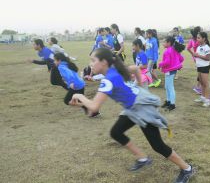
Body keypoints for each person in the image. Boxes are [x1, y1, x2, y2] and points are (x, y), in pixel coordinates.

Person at [70, 48, 195, 183]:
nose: (91, 64)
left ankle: (187, 169)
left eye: (93, 60)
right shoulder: (114, 69)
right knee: (116, 132)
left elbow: (94, 107)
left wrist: (79, 95)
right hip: (132, 108)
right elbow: (135, 69)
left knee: (157, 145)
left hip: (141, 109)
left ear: (104, 62)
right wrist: (140, 87)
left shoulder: (108, 80)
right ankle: (143, 158)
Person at [54, 53, 100, 117]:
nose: (54, 62)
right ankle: (93, 111)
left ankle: (91, 107)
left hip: (76, 85)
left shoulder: (61, 67)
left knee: (67, 101)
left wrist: (71, 82)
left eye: (55, 60)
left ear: (59, 60)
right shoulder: (67, 64)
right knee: (80, 100)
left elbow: (69, 74)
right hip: (81, 83)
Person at [159, 36, 185, 111]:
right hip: (171, 70)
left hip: (169, 71)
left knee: (170, 87)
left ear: (169, 43)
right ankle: (168, 101)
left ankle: (172, 104)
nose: (163, 43)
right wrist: (176, 64)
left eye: (164, 42)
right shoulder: (174, 49)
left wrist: (160, 64)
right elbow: (181, 58)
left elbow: (167, 62)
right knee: (167, 86)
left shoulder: (167, 51)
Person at [193, 32, 210, 107]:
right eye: (197, 37)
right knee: (201, 83)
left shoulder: (207, 47)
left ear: (204, 39)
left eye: (199, 38)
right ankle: (203, 97)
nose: (197, 39)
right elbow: (198, 56)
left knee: (205, 84)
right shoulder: (198, 47)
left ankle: (208, 100)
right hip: (199, 66)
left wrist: (198, 55)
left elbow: (208, 58)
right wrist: (195, 55)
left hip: (205, 67)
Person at [187, 26, 202, 94]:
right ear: (198, 32)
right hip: (200, 58)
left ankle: (200, 86)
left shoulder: (192, 40)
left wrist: (193, 54)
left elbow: (188, 48)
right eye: (201, 30)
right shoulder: (199, 40)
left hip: (196, 58)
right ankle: (199, 87)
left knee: (200, 72)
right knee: (201, 73)